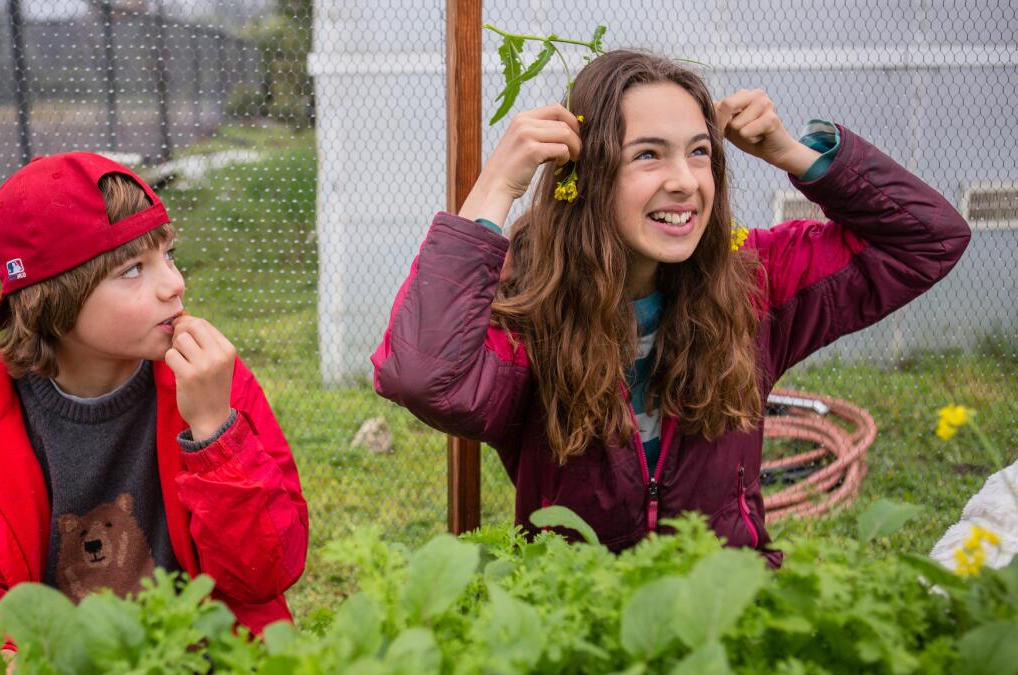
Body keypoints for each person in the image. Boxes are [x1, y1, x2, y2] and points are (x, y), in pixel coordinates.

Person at [372, 50, 970, 563]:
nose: (685, 181)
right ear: (588, 175)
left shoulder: (751, 283)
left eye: (700, 152)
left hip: (726, 602)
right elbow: (422, 376)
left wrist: (792, 153)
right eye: (649, 155)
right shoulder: (530, 310)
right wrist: (496, 187)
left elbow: (928, 239)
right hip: (577, 612)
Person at [0, 152, 308, 637]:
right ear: (52, 298)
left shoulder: (211, 384)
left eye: (168, 254)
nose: (175, 284)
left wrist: (214, 434)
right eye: (133, 269)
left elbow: (265, 573)